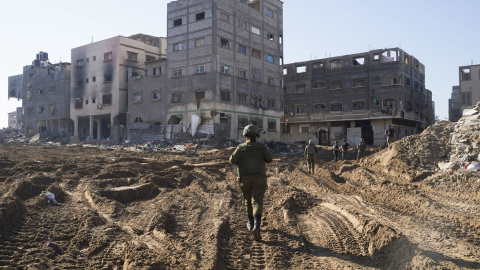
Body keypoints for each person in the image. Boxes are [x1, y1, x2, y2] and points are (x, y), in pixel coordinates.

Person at [230, 124, 273, 241]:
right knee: (257, 202)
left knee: (248, 201)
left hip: (244, 179)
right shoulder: (261, 147)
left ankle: (250, 222)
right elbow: (270, 158)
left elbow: (232, 160)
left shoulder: (240, 147)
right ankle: (257, 226)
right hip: (259, 178)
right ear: (257, 135)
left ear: (245, 135)